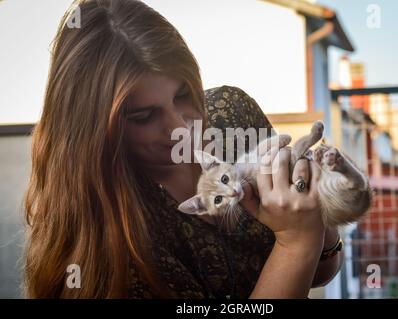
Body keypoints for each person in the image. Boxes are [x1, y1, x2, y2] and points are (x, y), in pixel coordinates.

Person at [24, 0, 343, 298]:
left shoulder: (231, 114)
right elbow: (301, 248)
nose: (180, 127)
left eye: (183, 95)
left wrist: (315, 216)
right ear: (92, 132)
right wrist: (295, 243)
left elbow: (321, 271)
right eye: (144, 116)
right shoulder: (103, 239)